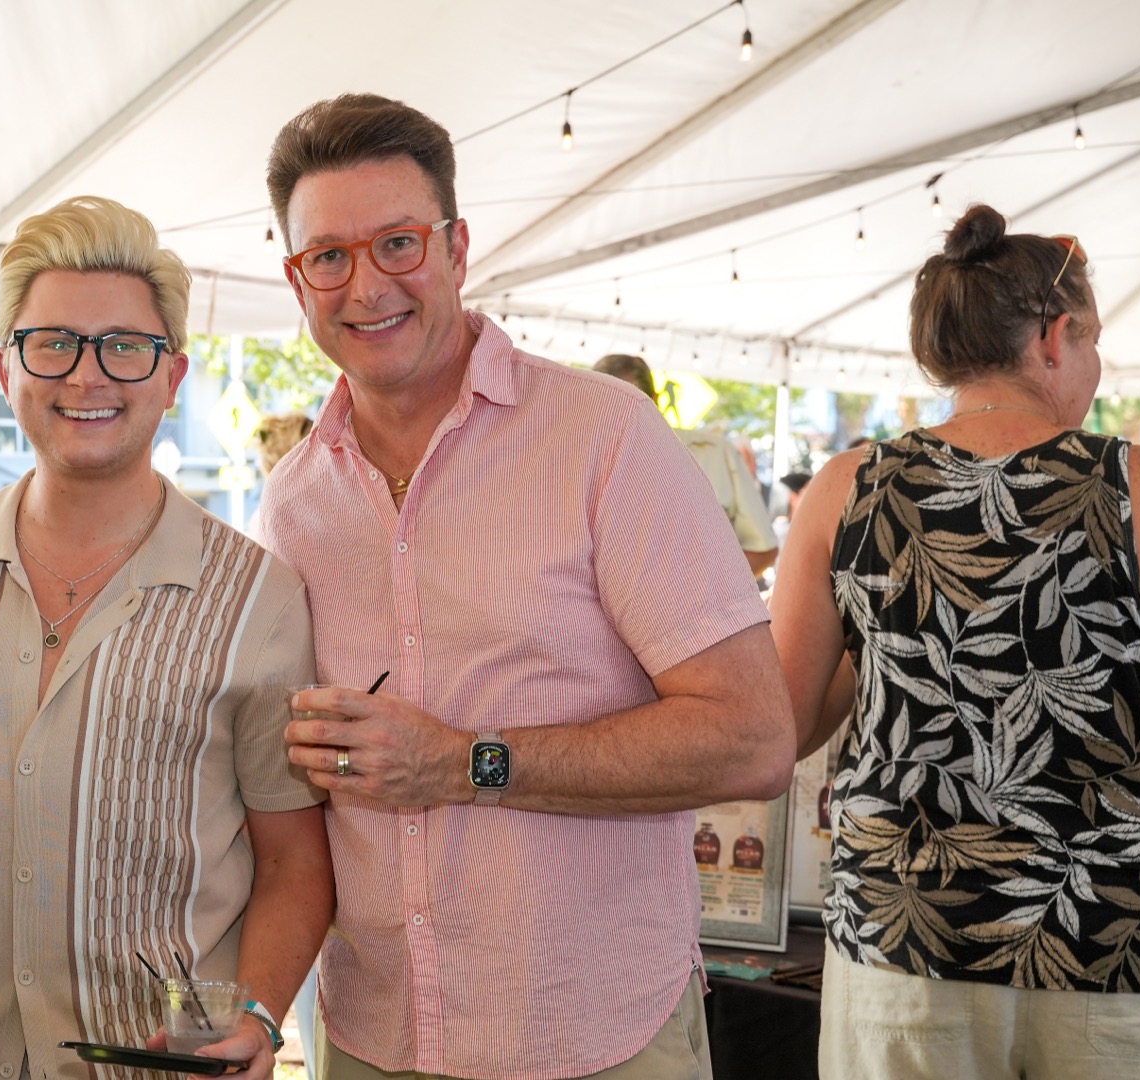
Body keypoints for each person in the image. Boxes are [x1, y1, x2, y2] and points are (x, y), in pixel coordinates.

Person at [256, 93, 795, 1080]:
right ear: (297, 280)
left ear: (457, 248)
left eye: (399, 243)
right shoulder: (294, 501)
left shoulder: (603, 438)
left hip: (593, 1034)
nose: (366, 285)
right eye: (328, 256)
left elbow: (754, 738)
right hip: (374, 1033)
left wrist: (468, 763)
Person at [0, 195, 332, 1080]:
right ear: (6, 368)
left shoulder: (258, 598)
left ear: (173, 375)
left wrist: (251, 1020)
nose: (88, 377)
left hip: (158, 1065)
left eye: (125, 346)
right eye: (54, 343)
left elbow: (292, 861)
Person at [769, 206, 1140, 1078]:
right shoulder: (1131, 484)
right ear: (1053, 337)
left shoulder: (846, 488)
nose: (1095, 366)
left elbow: (781, 726)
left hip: (903, 935)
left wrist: (892, 638)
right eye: (1092, 341)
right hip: (1105, 936)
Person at [594, 353, 779, 576]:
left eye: (627, 407)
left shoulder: (715, 453)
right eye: (603, 408)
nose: (616, 420)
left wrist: (697, 586)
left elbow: (763, 550)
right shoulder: (576, 466)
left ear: (654, 401)